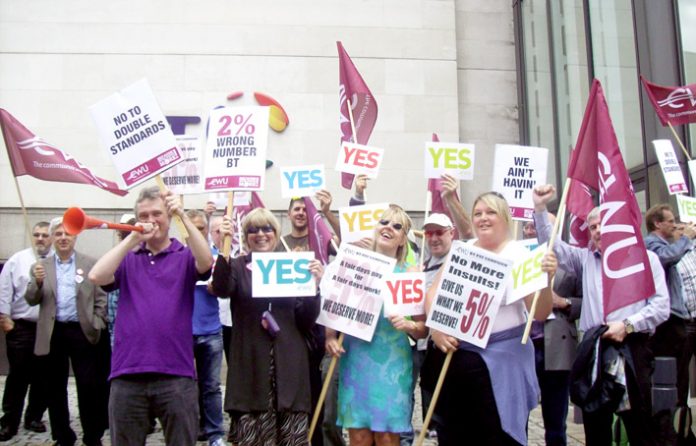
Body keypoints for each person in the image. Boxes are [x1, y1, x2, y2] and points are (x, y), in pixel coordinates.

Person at [533, 184, 669, 446]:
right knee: (596, 426)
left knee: (639, 425)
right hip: (595, 348)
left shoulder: (645, 259)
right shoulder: (585, 259)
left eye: (602, 224)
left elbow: (661, 306)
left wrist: (628, 326)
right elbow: (552, 246)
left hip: (632, 348)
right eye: (592, 226)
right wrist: (540, 208)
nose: (596, 231)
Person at [422, 192, 555, 446]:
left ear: (504, 216)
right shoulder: (463, 249)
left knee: (497, 437)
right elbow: (433, 293)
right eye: (478, 213)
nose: (483, 218)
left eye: (490, 212)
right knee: (456, 435)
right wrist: (436, 329)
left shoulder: (520, 255)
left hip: (502, 364)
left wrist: (546, 281)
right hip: (457, 358)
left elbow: (538, 312)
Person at [88, 186, 213, 445]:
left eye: (157, 213)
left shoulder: (183, 255)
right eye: (144, 215)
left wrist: (183, 215)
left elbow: (206, 262)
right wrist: (132, 239)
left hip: (176, 373)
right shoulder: (128, 257)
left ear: (169, 218)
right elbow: (97, 276)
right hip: (127, 374)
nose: (151, 219)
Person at [211, 208, 324, 446]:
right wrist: (224, 248)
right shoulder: (238, 266)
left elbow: (306, 320)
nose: (260, 234)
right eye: (253, 230)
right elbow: (222, 288)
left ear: (276, 233)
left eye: (267, 229)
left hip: (289, 369)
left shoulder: (292, 265)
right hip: (251, 369)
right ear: (245, 235)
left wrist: (314, 287)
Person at [325, 204, 428, 446]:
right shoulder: (355, 265)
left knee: (386, 437)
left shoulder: (408, 274)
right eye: (384, 223)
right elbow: (333, 306)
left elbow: (423, 328)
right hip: (357, 357)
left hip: (392, 364)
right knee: (358, 436)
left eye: (397, 226)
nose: (388, 228)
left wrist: (409, 326)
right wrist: (330, 337)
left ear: (403, 238)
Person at [25, 217, 110, 446]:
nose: (63, 238)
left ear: (75, 237)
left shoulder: (89, 262)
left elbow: (101, 296)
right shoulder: (41, 267)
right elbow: (31, 299)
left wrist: (98, 321)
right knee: (54, 389)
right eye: (59, 234)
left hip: (82, 331)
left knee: (88, 386)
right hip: (54, 333)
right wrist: (38, 282)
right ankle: (62, 436)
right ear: (53, 238)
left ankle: (93, 436)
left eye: (67, 234)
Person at [644, 204, 696, 443]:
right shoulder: (652, 245)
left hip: (678, 320)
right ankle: (669, 432)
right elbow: (667, 258)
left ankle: (681, 428)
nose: (675, 224)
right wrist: (684, 239)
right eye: (671, 220)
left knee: (681, 380)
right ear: (658, 224)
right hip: (666, 324)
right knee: (671, 380)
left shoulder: (666, 244)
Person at [0, 221, 51, 441]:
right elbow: (4, 289)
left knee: (42, 375)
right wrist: (4, 318)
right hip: (21, 327)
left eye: (44, 235)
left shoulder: (57, 261)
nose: (40, 238)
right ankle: (9, 421)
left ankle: (34, 417)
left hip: (47, 327)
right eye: (37, 235)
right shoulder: (17, 260)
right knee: (18, 376)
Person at [187, 210, 226, 446]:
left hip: (211, 330)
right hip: (181, 332)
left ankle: (215, 434)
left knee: (211, 387)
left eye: (202, 227)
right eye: (192, 227)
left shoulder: (215, 257)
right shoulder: (176, 257)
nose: (198, 232)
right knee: (182, 388)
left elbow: (226, 290)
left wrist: (217, 287)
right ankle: (187, 431)